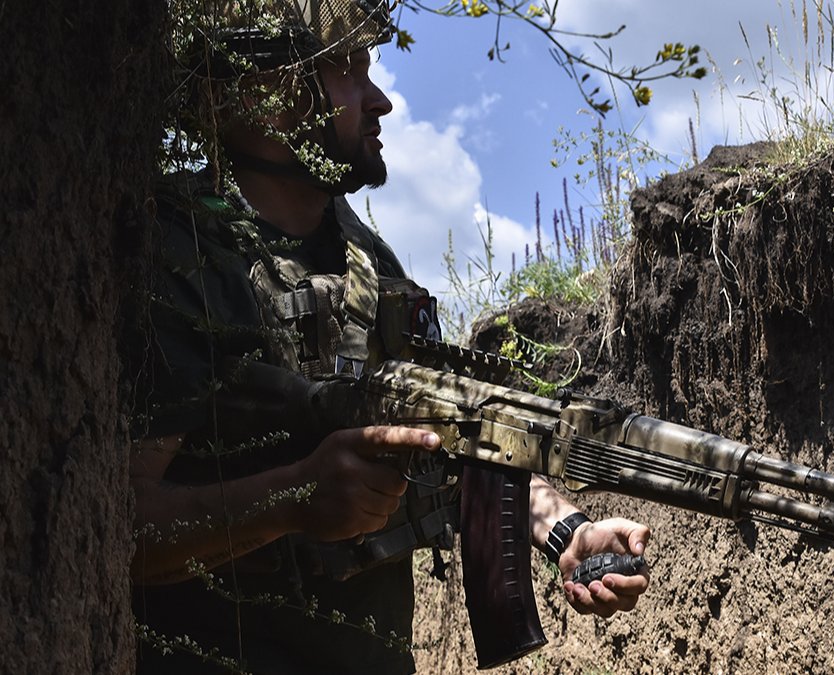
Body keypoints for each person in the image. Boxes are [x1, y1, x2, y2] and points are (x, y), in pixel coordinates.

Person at [132, 2, 650, 672]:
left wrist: (565, 530)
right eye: (346, 71)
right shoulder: (184, 253)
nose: (380, 100)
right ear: (261, 91)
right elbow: (114, 526)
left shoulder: (365, 262)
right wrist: (292, 497)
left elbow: (445, 444)